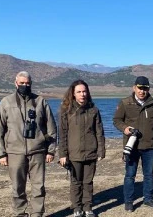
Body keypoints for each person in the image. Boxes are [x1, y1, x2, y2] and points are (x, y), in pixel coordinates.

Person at [0, 71, 57, 217]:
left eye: (27, 83)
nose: (24, 85)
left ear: (31, 84)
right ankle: (20, 213)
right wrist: (1, 153)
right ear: (16, 83)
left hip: (38, 151)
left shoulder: (41, 101)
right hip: (15, 152)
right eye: (21, 83)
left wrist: (51, 150)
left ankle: (37, 214)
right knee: (17, 187)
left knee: (38, 187)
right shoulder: (6, 102)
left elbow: (51, 128)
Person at [113, 76, 153, 212]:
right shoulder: (125, 103)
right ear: (134, 87)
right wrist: (125, 128)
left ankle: (148, 199)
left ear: (148, 89)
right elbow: (117, 120)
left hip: (149, 146)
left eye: (145, 88)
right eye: (140, 88)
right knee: (130, 175)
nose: (142, 91)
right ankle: (129, 201)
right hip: (132, 146)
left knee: (148, 175)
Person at [58, 80, 105, 217]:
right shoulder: (66, 111)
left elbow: (99, 132)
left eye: (84, 91)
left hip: (91, 152)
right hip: (74, 154)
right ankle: (77, 208)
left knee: (88, 182)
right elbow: (63, 134)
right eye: (79, 92)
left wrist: (101, 150)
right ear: (73, 94)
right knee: (76, 182)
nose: (82, 94)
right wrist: (63, 154)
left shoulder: (93, 110)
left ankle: (88, 207)